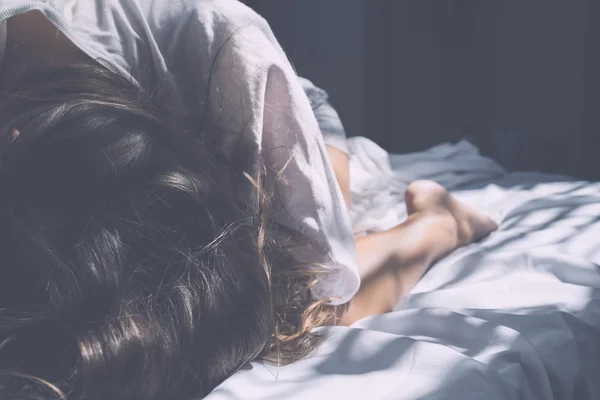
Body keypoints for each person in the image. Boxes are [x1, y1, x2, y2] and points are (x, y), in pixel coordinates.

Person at [0, 1, 497, 399]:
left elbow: (321, 278)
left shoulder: (220, 39)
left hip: (252, 116)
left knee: (296, 305)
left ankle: (439, 222)